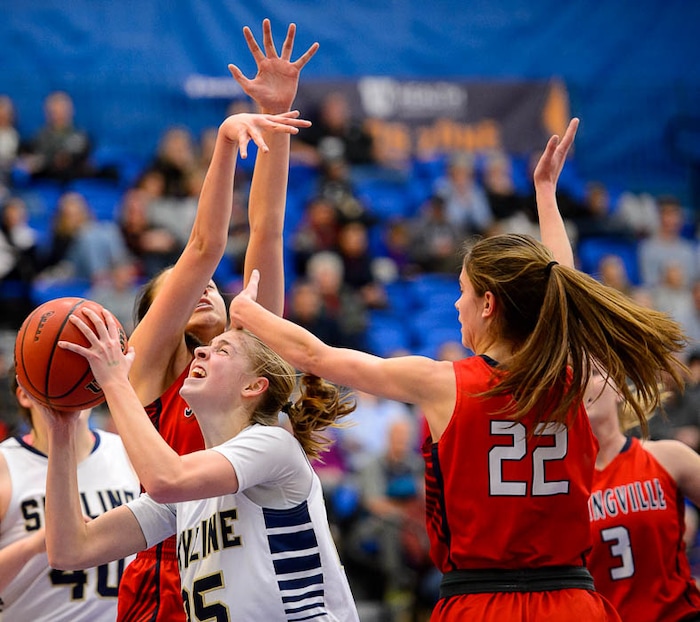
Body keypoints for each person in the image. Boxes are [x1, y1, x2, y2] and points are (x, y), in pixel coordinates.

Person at [229, 118, 688, 621]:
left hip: (481, 600)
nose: (455, 306)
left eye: (463, 293)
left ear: (488, 304)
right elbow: (563, 284)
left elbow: (317, 356)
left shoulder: (443, 383)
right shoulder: (570, 375)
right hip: (571, 600)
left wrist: (248, 312)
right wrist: (546, 194)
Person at [116, 19, 318, 622]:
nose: (205, 287)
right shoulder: (145, 372)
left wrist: (277, 121)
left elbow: (269, 228)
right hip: (162, 584)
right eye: (183, 293)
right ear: (160, 316)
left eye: (212, 289)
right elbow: (204, 247)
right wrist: (227, 141)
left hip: (237, 583)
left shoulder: (247, 358)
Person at [41, 309, 360, 621]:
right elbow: (70, 551)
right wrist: (61, 433)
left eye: (223, 350)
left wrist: (115, 381)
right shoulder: (189, 492)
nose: (202, 351)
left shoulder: (274, 446)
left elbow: (165, 479)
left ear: (253, 387)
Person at [0, 377, 140, 621]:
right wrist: (34, 545)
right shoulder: (5, 465)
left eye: (78, 376)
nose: (69, 390)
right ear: (24, 395)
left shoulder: (128, 450)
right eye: (57, 378)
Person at [585, 364, 700, 621]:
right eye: (573, 379)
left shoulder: (669, 457)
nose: (583, 386)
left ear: (618, 388)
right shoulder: (564, 487)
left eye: (592, 374)